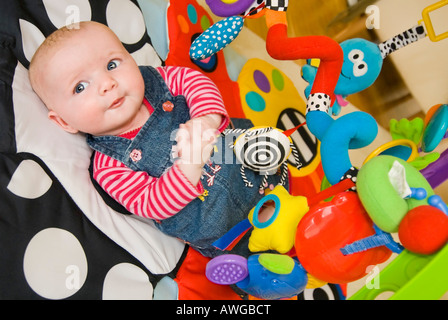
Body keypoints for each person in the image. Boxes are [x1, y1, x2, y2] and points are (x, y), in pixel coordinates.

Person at [29, 21, 286, 259]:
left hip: (258, 168)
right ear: (64, 121)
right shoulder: (109, 167)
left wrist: (206, 120)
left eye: (111, 65)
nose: (107, 83)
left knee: (289, 195)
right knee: (268, 263)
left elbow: (196, 82)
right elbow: (151, 203)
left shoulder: (157, 79)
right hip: (230, 231)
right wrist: (190, 165)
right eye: (80, 87)